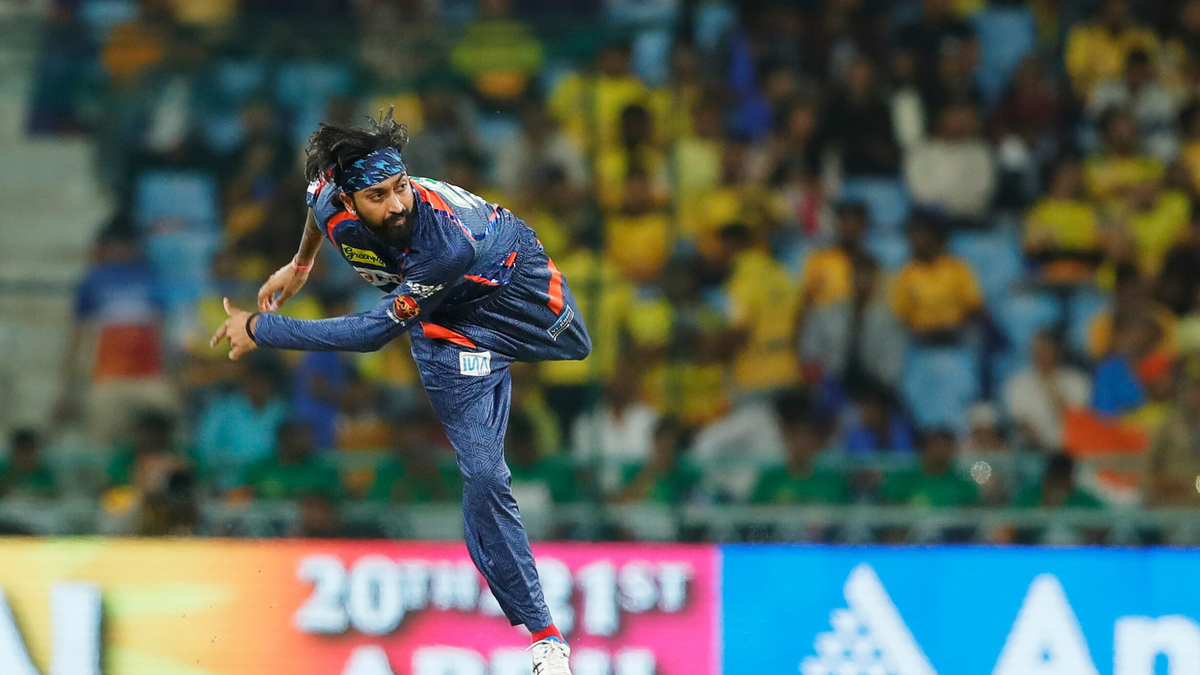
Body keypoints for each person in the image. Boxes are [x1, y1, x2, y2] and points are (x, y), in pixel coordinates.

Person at [211, 109, 588, 672]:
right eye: (378, 196)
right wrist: (301, 264)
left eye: (400, 187)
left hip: (510, 283)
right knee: (484, 475)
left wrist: (262, 328)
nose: (396, 205)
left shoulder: (445, 244)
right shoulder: (328, 198)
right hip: (447, 331)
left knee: (577, 346)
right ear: (348, 199)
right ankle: (545, 638)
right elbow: (315, 203)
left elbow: (371, 334)